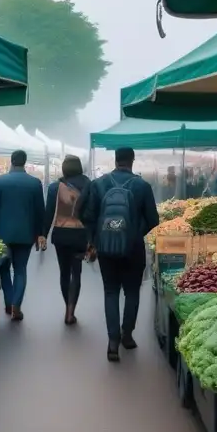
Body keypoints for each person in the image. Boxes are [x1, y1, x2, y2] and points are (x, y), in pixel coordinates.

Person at [85, 147, 158, 362]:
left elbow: (89, 217)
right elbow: (154, 221)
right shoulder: (142, 186)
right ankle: (128, 335)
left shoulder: (99, 184)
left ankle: (112, 342)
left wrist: (95, 241)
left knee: (110, 292)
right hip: (133, 249)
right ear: (132, 161)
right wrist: (134, 233)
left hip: (106, 248)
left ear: (115, 160)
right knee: (132, 292)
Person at [0, 150, 45, 322]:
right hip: (26, 235)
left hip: (2, 235)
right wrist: (41, 234)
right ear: (25, 162)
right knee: (20, 270)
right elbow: (41, 211)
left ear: (11, 161)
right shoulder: (34, 183)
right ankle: (17, 304)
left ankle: (9, 302)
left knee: (4, 269)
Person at [43, 156, 92, 325]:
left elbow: (49, 212)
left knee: (64, 272)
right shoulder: (89, 186)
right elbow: (93, 213)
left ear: (64, 169)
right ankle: (71, 310)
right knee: (76, 273)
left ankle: (67, 307)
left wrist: (43, 233)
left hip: (61, 234)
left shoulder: (55, 187)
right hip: (80, 235)